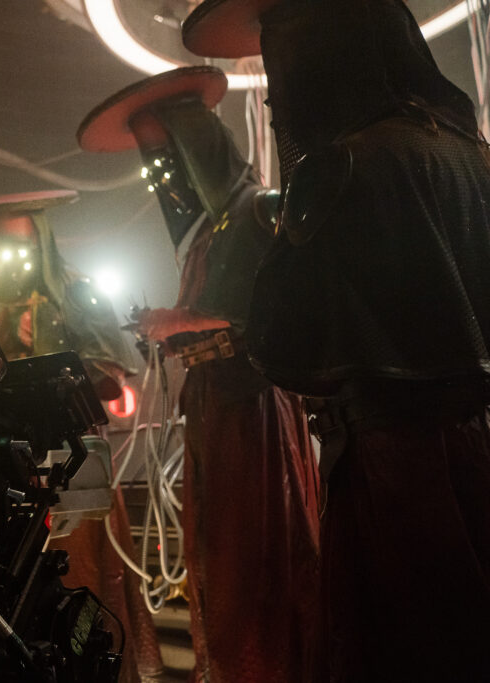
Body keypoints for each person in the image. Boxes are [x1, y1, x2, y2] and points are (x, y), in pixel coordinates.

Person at [182, 1, 490, 680]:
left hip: (393, 466)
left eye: (283, 66)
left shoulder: (343, 165)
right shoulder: (471, 153)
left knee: (401, 647)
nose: (275, 101)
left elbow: (280, 345)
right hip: (480, 443)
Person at [78, 65, 320, 683]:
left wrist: (176, 320)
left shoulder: (258, 211)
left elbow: (254, 307)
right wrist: (168, 329)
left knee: (256, 544)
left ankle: (271, 664)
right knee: (218, 547)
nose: (164, 170)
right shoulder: (209, 232)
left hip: (253, 409)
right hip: (213, 406)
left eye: (169, 150)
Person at [0, 191, 163, 683]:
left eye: (20, 242)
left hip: (69, 463)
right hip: (0, 468)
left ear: (40, 241)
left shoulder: (76, 293)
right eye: (0, 242)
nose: (11, 253)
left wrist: (50, 366)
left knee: (79, 585)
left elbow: (110, 374)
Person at [0, 190, 135, 401]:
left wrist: (61, 380)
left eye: (18, 246)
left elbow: (106, 372)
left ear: (40, 240)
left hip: (63, 413)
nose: (10, 258)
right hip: (0, 414)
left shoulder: (79, 294)